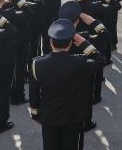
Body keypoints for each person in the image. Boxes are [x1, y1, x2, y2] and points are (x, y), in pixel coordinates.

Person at [29, 19, 106, 150]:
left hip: (49, 118)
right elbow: (100, 60)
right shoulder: (80, 62)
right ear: (71, 43)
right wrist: (83, 42)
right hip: (73, 118)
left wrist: (36, 114)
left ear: (50, 42)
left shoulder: (37, 64)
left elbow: (34, 94)